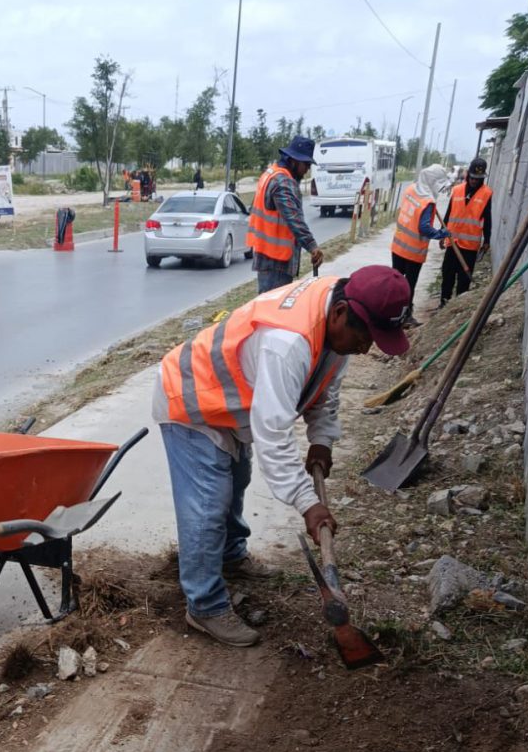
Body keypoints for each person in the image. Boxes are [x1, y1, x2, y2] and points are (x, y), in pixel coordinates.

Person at [152, 266, 412, 647]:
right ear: (340, 312)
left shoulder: (338, 314)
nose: (366, 348)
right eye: (365, 337)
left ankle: (230, 555)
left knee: (236, 481)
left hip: (230, 405)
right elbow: (273, 433)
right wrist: (309, 504)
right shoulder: (287, 343)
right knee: (209, 503)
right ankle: (204, 604)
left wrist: (321, 440)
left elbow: (326, 388)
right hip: (192, 400)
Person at [246, 135, 325, 294]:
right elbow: (294, 219)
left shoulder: (270, 173)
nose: (307, 170)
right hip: (276, 260)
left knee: (267, 308)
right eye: (306, 164)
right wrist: (312, 246)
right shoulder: (283, 182)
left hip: (266, 256)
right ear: (294, 160)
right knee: (272, 312)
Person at [390, 163, 451, 321]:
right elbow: (424, 227)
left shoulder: (411, 189)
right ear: (433, 181)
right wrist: (441, 233)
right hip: (412, 251)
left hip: (398, 245)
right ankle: (406, 316)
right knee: (409, 285)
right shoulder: (427, 202)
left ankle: (390, 311)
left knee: (395, 282)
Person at [439, 156, 492, 307]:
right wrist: (442, 234)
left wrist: (487, 240)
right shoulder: (457, 190)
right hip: (452, 242)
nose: (474, 181)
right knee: (447, 274)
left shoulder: (486, 194)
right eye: (473, 177)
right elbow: (448, 214)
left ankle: (458, 307)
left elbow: (488, 219)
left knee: (464, 279)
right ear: (468, 174)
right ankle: (444, 304)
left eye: (478, 179)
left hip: (469, 246)